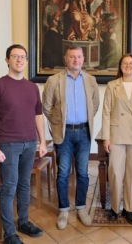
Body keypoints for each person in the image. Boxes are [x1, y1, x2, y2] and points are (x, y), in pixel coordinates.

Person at [0, 44, 47, 244]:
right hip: (7, 144)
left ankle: (24, 222)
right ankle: (9, 233)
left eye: (23, 57)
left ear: (26, 61)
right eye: (15, 56)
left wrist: (42, 141)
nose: (20, 60)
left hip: (30, 143)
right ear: (7, 60)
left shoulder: (32, 87)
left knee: (25, 185)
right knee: (9, 187)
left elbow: (38, 115)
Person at [42, 45, 99, 230]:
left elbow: (95, 104)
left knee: (83, 172)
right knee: (63, 173)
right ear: (65, 59)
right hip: (64, 133)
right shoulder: (54, 80)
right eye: (72, 57)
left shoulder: (90, 80)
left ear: (84, 59)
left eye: (79, 57)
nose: (76, 60)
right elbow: (46, 107)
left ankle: (81, 207)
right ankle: (64, 209)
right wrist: (58, 123)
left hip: (84, 132)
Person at [102, 54, 132, 225]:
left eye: (131, 63)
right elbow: (106, 112)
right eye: (125, 63)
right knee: (115, 172)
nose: (128, 66)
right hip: (116, 135)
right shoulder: (112, 85)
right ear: (120, 66)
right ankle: (115, 208)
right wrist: (106, 137)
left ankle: (130, 209)